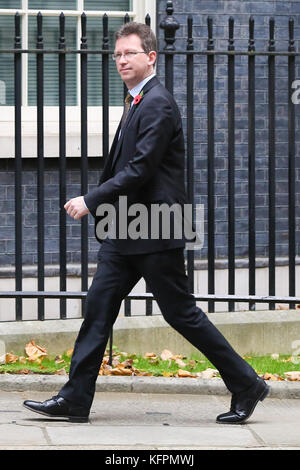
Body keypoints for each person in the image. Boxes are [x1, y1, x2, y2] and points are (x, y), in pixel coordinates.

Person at [23, 22, 269, 424]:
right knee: (98, 307)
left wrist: (90, 199)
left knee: (181, 314)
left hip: (156, 227)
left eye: (129, 53)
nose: (121, 60)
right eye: (117, 54)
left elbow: (139, 170)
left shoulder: (157, 102)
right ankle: (75, 398)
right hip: (127, 228)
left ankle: (246, 383)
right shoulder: (138, 99)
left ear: (150, 57)